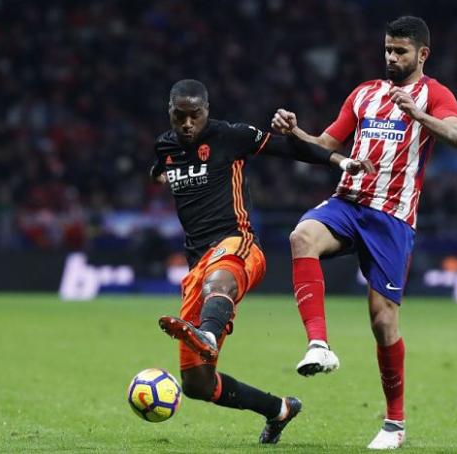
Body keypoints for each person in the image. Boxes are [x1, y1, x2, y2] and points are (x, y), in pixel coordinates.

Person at [271, 16, 457, 449]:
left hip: (392, 218)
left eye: (400, 51)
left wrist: (419, 115)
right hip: (348, 203)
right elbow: (324, 146)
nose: (391, 58)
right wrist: (294, 132)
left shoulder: (434, 95)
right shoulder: (364, 93)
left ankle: (394, 424)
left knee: (382, 322)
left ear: (422, 54)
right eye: (387, 50)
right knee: (301, 236)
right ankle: (319, 344)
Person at [153, 79, 372, 445]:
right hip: (197, 265)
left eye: (195, 116)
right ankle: (278, 409)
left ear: (207, 111)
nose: (188, 124)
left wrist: (341, 160)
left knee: (218, 282)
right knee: (197, 385)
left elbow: (289, 149)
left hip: (237, 244)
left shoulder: (231, 136)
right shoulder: (166, 145)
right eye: (180, 117)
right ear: (170, 113)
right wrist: (159, 173)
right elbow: (160, 164)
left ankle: (207, 331)